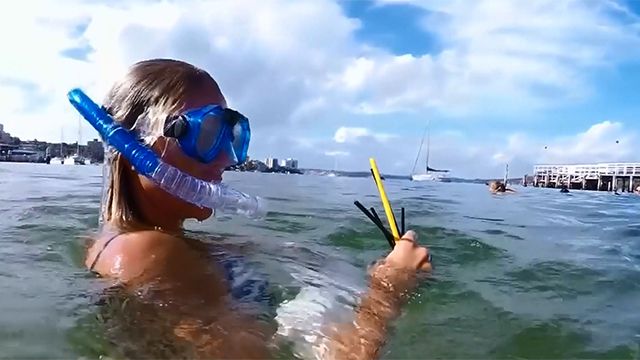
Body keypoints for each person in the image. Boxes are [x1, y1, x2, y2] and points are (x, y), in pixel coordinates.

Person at [83, 58, 432, 359]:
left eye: (231, 135)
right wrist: (389, 290)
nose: (225, 158)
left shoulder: (123, 242)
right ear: (133, 149)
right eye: (207, 134)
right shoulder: (148, 252)